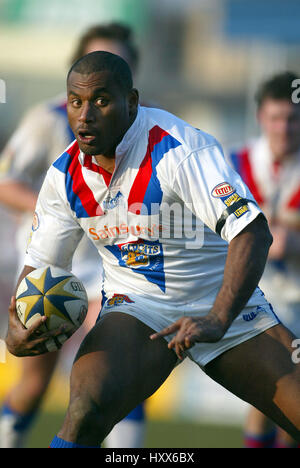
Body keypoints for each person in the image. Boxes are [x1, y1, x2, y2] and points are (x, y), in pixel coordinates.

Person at [5, 51, 300, 449]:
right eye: (76, 102)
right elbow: (42, 267)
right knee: (84, 410)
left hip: (226, 307)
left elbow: (253, 233)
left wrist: (217, 318)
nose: (85, 115)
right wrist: (16, 328)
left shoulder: (182, 148)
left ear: (132, 101)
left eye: (101, 100)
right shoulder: (62, 175)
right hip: (136, 307)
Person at [0, 23, 145, 449]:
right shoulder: (47, 119)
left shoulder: (148, 126)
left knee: (124, 363)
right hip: (54, 263)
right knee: (36, 375)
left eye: (117, 62)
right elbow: (6, 181)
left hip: (114, 265)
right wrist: (61, 211)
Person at [228, 71, 300, 448]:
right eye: (275, 118)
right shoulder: (231, 164)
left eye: (291, 119)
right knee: (268, 394)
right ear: (260, 118)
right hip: (255, 300)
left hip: (297, 296)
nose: (283, 128)